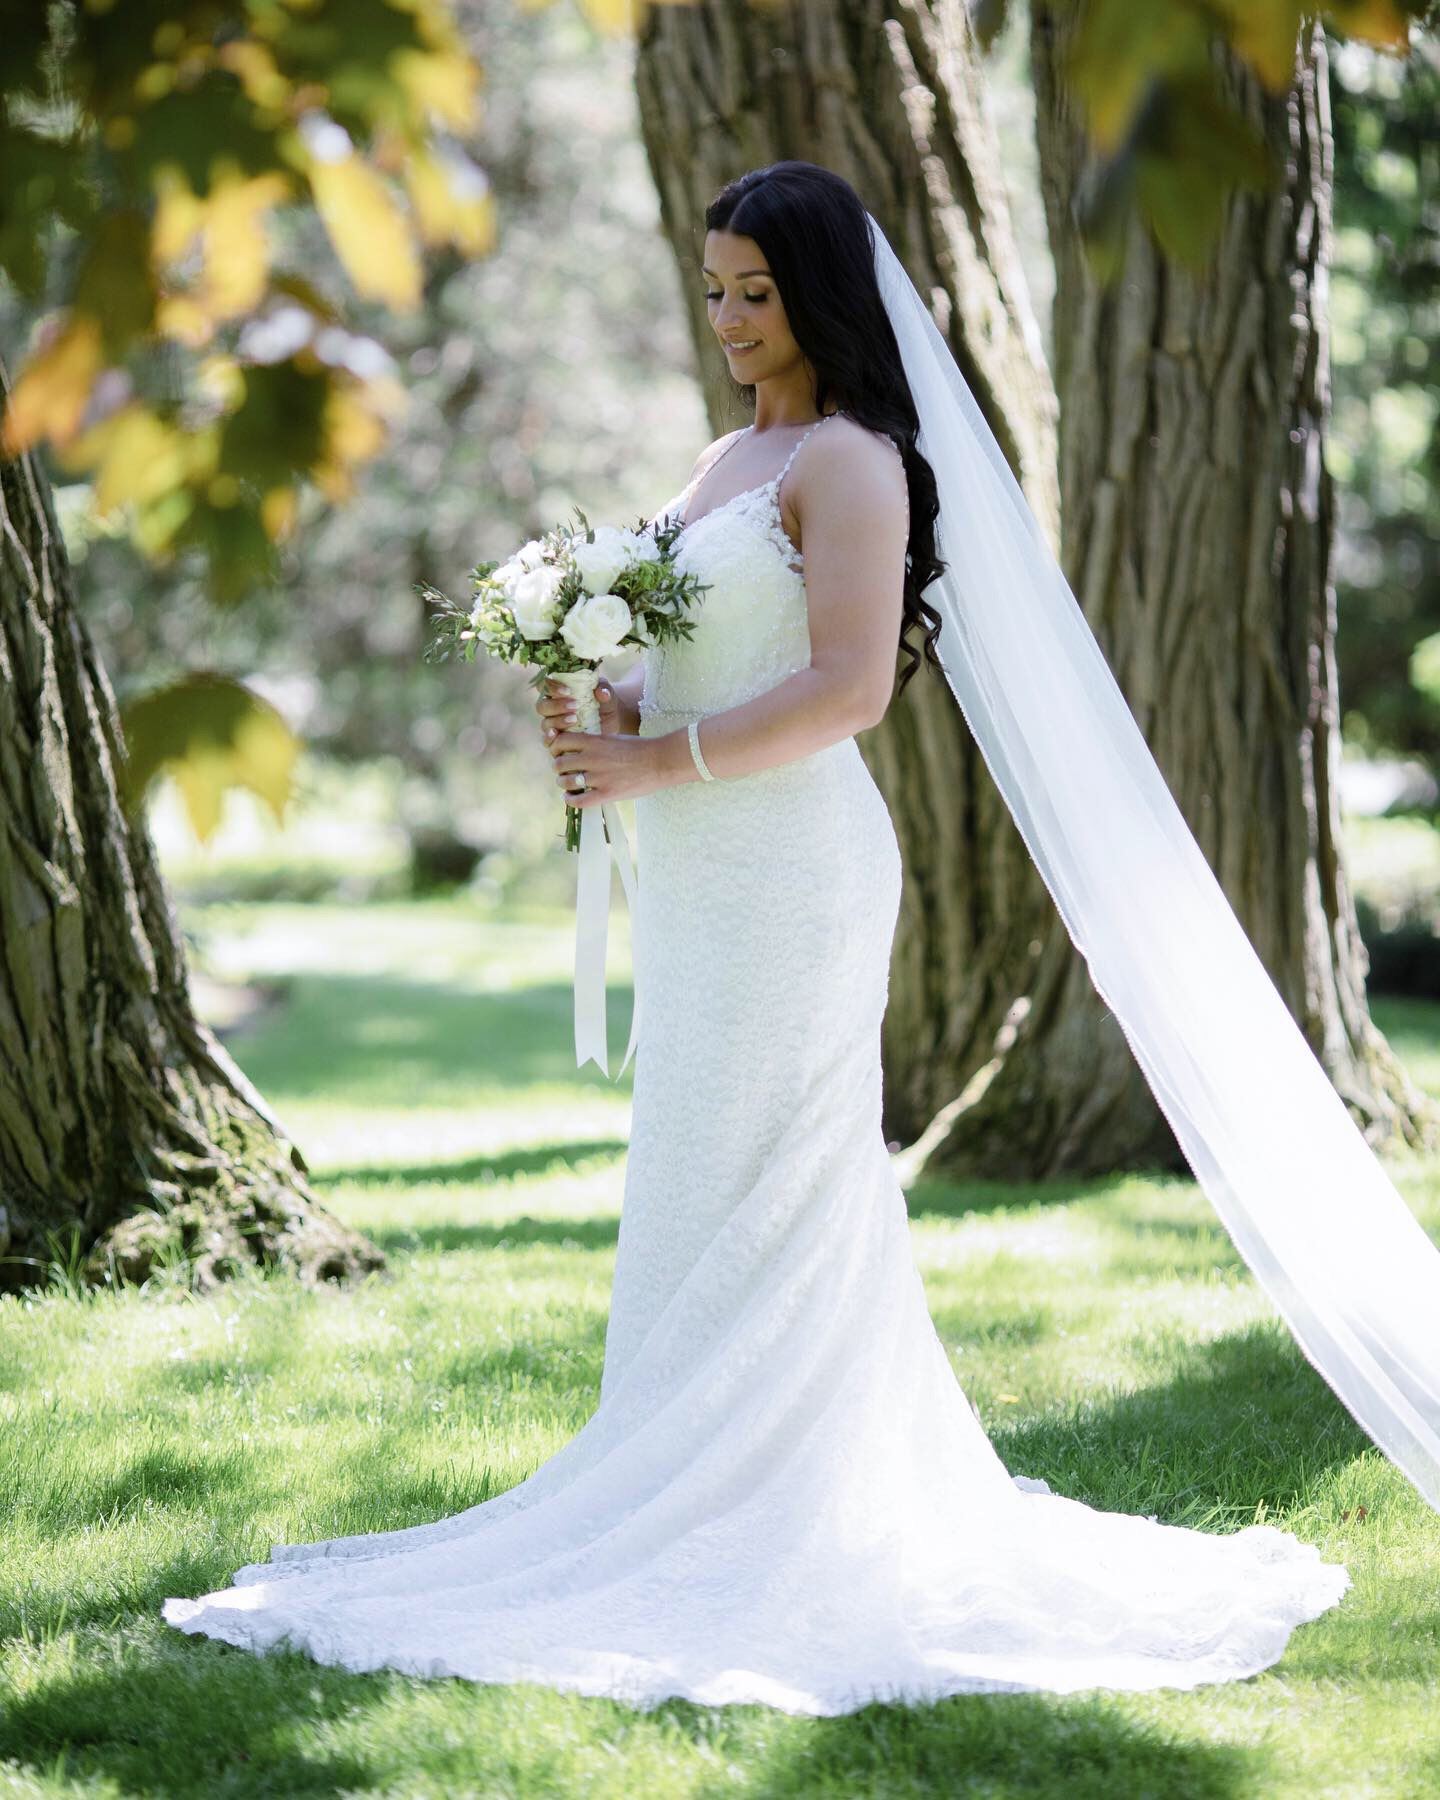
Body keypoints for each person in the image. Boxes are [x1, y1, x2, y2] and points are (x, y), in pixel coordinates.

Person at [164, 163, 1373, 1714]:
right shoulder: (729, 453)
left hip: (793, 874)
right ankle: (684, 1463)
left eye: (758, 290)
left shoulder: (854, 461)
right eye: (717, 287)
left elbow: (850, 687)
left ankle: (779, 1505)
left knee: (787, 1173)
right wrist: (608, 706)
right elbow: (706, 657)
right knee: (694, 1165)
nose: (731, 318)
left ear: (820, 295)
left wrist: (662, 761)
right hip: (702, 874)